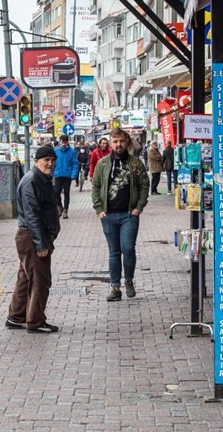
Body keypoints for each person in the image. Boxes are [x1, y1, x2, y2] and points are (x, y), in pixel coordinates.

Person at [91, 128, 150, 302]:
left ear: (127, 143)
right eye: (115, 141)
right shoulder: (102, 164)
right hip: (108, 215)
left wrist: (139, 207)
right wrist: (99, 209)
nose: (118, 145)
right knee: (114, 252)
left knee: (128, 248)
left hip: (129, 214)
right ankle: (115, 287)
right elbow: (96, 186)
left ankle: (129, 280)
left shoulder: (135, 164)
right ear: (110, 143)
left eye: (122, 141)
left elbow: (144, 185)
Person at [7, 145, 61, 333]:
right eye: (46, 160)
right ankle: (35, 321)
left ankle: (16, 316)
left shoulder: (40, 179)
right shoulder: (32, 180)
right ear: (37, 161)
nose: (50, 163)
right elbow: (32, 215)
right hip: (32, 237)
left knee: (25, 278)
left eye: (53, 160)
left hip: (33, 236)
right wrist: (41, 243)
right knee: (40, 280)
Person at [52, 134, 79, 218]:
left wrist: (73, 175)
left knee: (66, 193)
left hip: (67, 175)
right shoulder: (56, 151)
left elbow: (75, 164)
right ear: (60, 142)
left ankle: (65, 210)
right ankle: (60, 206)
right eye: (62, 142)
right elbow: (53, 163)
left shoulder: (72, 152)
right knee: (56, 192)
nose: (63, 144)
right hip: (58, 174)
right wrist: (52, 173)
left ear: (67, 142)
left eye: (65, 142)